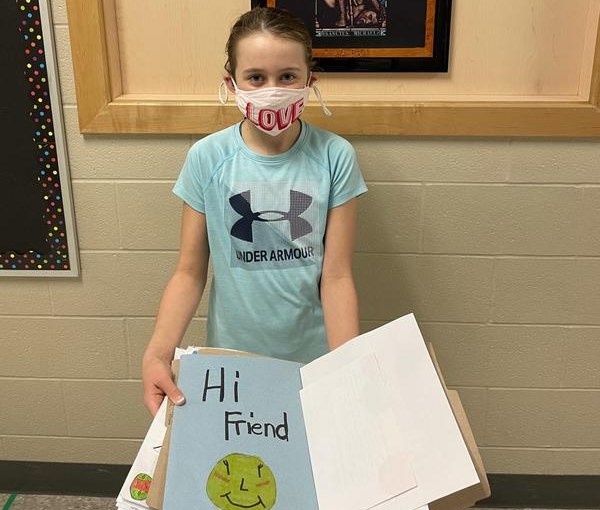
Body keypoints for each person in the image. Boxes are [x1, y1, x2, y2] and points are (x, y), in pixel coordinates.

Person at [142, 6, 367, 415]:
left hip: (313, 360)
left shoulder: (335, 157)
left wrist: (345, 365)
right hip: (232, 365)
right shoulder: (207, 159)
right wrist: (158, 353)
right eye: (256, 77)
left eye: (287, 76)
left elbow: (336, 277)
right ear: (232, 83)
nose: (272, 89)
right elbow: (189, 272)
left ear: (309, 80)